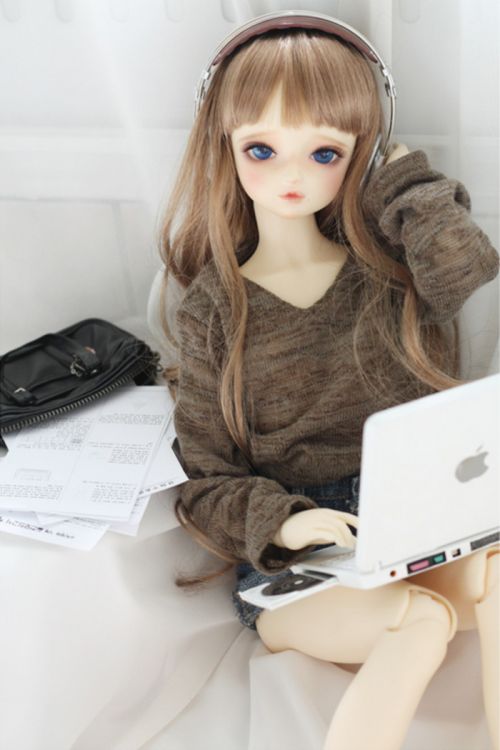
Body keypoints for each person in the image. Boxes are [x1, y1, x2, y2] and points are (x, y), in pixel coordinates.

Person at [159, 14, 499, 750]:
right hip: (303, 566)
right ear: (225, 145)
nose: (292, 176)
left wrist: (402, 177)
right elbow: (206, 480)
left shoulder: (386, 273)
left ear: (361, 153)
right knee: (420, 622)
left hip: (416, 524)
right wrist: (283, 523)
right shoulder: (215, 308)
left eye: (324, 152)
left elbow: (465, 269)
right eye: (262, 149)